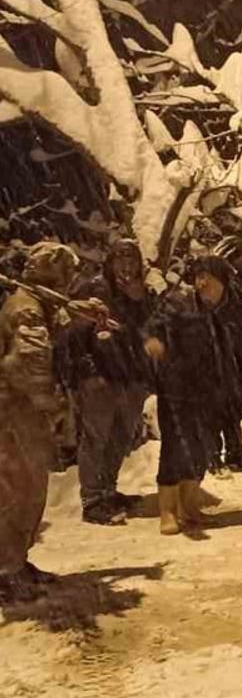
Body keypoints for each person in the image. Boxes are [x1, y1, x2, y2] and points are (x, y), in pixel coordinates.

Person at [143, 256, 242, 535]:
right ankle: (167, 512)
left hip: (214, 390)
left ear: (222, 282)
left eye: (208, 278)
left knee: (203, 448)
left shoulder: (230, 310)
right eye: (199, 276)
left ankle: (189, 507)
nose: (202, 283)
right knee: (175, 448)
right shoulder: (178, 302)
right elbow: (153, 326)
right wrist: (154, 341)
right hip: (178, 389)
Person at [0, 242, 80, 601]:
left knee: (29, 488)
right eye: (67, 271)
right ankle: (5, 571)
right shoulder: (26, 309)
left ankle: (16, 560)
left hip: (23, 411)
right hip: (15, 412)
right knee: (18, 489)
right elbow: (29, 362)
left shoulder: (36, 304)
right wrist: (52, 405)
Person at [59, 239, 154, 525]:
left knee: (120, 437)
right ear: (110, 262)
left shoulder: (143, 293)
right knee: (96, 439)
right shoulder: (93, 290)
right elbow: (74, 337)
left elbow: (149, 331)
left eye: (132, 259)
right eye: (120, 259)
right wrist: (89, 373)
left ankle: (108, 490)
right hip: (100, 377)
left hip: (131, 377)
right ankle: (92, 500)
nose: (127, 265)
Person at [210, 236, 242, 471]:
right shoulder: (221, 284)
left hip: (237, 349)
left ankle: (234, 452)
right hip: (219, 351)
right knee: (217, 405)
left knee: (233, 403)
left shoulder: (241, 285)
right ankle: (212, 456)